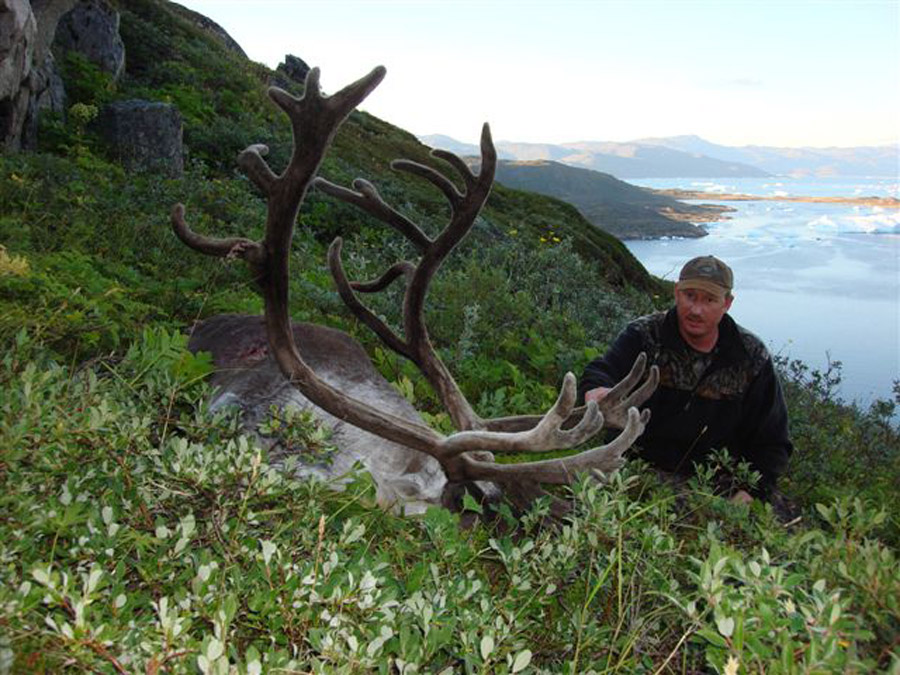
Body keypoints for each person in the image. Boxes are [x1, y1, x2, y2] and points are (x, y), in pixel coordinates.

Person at [579, 255, 792, 503]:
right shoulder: (644, 335)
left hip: (714, 490)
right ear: (676, 293)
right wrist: (597, 390)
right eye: (690, 296)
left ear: (727, 303)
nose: (696, 310)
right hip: (635, 473)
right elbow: (603, 370)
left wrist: (749, 491)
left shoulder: (751, 356)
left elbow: (773, 440)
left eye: (709, 299)